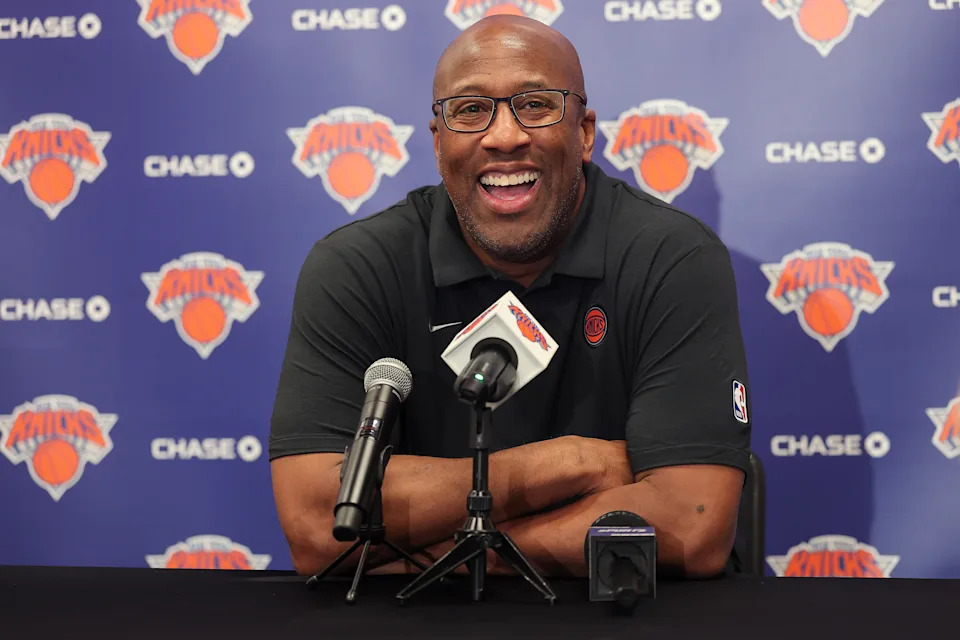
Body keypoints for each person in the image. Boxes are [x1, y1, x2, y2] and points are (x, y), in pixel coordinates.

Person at [269, 15, 751, 580]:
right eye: (471, 109)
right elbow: (316, 526)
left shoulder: (672, 257)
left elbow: (691, 526)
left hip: (620, 613)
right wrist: (575, 462)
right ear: (438, 141)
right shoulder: (358, 266)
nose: (503, 136)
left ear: (585, 133)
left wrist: (438, 559)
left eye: (536, 105)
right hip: (422, 620)